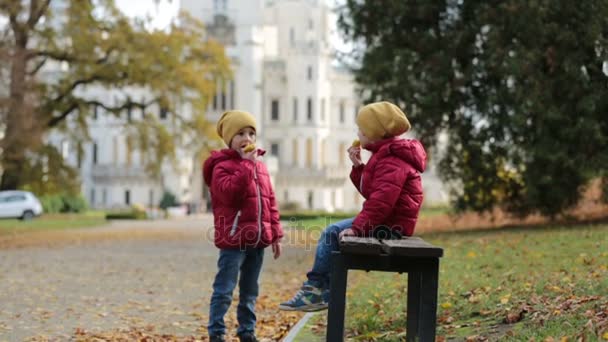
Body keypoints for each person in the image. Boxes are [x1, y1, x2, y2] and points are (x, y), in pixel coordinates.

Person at [279, 101, 426, 312]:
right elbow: (375, 193)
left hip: (391, 226)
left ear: (375, 133)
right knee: (334, 234)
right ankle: (323, 292)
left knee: (331, 233)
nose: (358, 132)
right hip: (390, 222)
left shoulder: (392, 160)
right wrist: (359, 168)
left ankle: (316, 290)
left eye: (362, 129)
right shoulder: (385, 156)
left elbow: (380, 204)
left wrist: (357, 228)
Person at [203, 110, 283, 342]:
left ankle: (247, 331)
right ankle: (216, 331)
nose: (247, 139)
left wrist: (276, 234)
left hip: (257, 241)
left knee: (250, 291)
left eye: (251, 133)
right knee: (225, 289)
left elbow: (270, 202)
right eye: (240, 134)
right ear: (229, 139)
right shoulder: (222, 167)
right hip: (233, 240)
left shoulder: (262, 168)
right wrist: (246, 166)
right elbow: (230, 195)